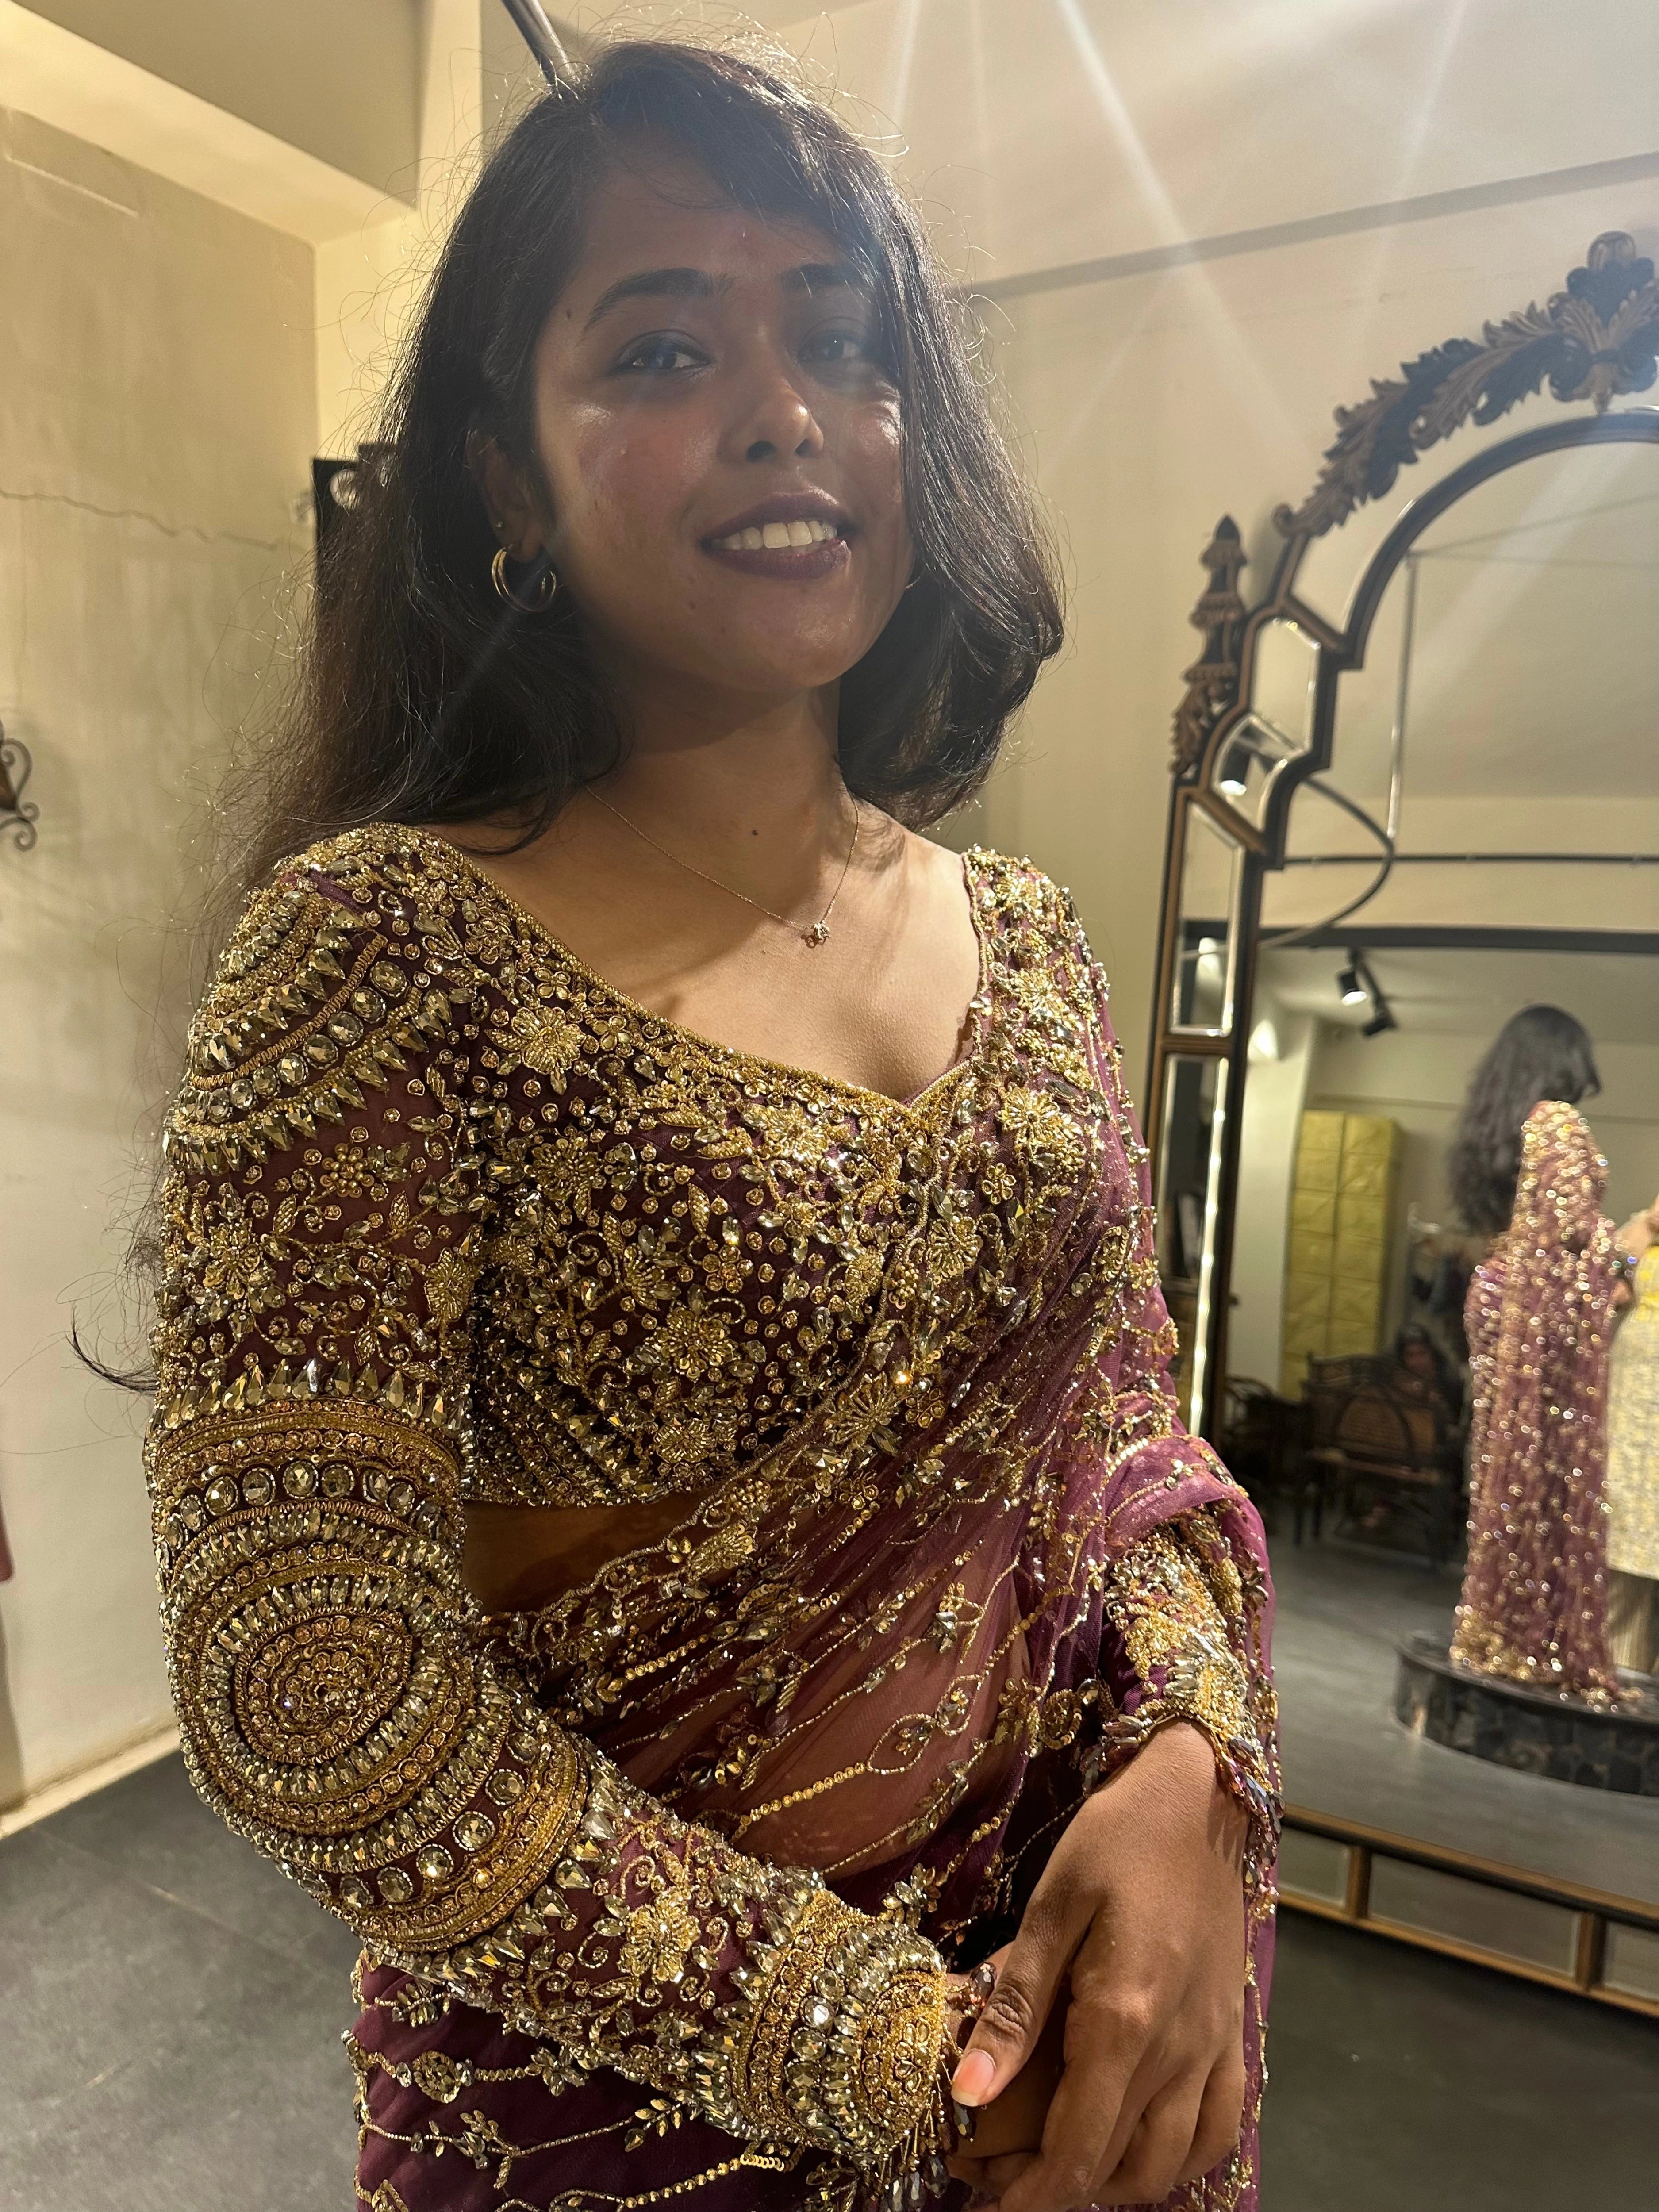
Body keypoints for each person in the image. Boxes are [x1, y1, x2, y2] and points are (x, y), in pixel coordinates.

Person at [142, 44, 1277, 2212]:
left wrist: (1192, 1769)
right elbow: (310, 1675)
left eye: (841, 340)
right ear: (503, 466)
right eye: (667, 342)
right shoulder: (383, 952)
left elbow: (1130, 1444)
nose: (788, 410)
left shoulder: (1031, 942)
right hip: (652, 2133)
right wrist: (921, 2063)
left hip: (1099, 2055)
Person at [1445, 1006, 1649, 1703]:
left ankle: (1501, 1628)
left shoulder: (1505, 1122)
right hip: (1537, 1313)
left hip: (1498, 1294)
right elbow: (1570, 1231)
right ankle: (1531, 1637)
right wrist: (1634, 1244)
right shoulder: (1558, 1121)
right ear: (1565, 1057)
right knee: (1542, 1472)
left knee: (1508, 1466)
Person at [1608, 1217, 1659, 1674]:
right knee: (1624, 1516)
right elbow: (1613, 1279)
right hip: (1633, 1384)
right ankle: (1617, 1659)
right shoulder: (1648, 1224)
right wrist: (1638, 1240)